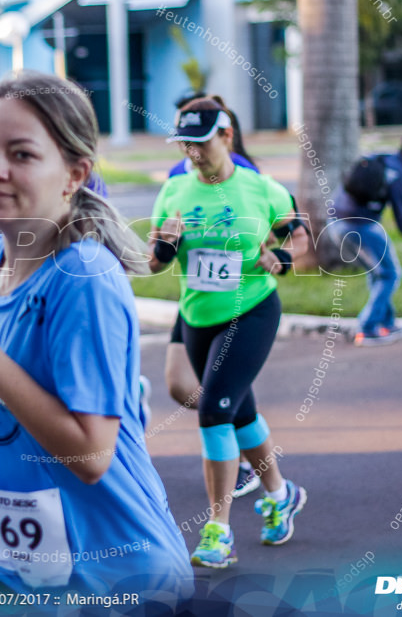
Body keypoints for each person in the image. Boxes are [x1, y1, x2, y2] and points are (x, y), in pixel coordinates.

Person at [0, 71, 193, 606]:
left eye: (21, 154)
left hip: (112, 574)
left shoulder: (84, 278)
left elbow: (91, 455)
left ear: (74, 174)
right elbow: (17, 384)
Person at [149, 95, 309, 569]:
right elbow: (154, 260)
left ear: (226, 136)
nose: (192, 152)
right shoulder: (174, 191)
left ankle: (218, 530)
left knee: (214, 410)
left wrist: (280, 258)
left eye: (201, 143)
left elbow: (300, 235)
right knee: (239, 414)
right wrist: (165, 245)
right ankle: (281, 494)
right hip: (198, 315)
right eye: (185, 144)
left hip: (252, 310)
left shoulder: (261, 190)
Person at [330, 133, 402, 346]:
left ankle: (387, 322)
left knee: (378, 272)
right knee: (390, 274)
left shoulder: (380, 159)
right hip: (361, 226)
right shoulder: (399, 175)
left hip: (335, 224)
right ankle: (368, 329)